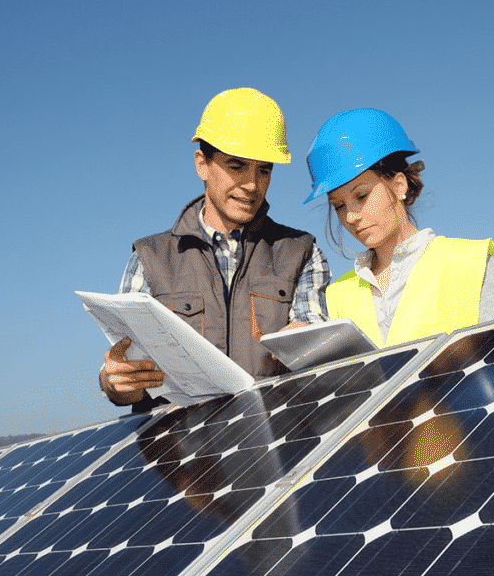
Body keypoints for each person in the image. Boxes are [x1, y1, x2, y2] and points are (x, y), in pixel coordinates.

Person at [100, 88, 331, 410]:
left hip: (273, 440)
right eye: (237, 166)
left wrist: (308, 342)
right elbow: (129, 371)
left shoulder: (300, 253)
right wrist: (117, 383)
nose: (252, 184)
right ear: (202, 164)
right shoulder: (150, 259)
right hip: (176, 449)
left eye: (264, 169)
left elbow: (315, 346)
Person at [304, 108, 494, 348]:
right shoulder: (337, 295)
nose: (350, 216)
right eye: (339, 206)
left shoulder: (468, 262)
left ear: (399, 185)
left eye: (361, 196)